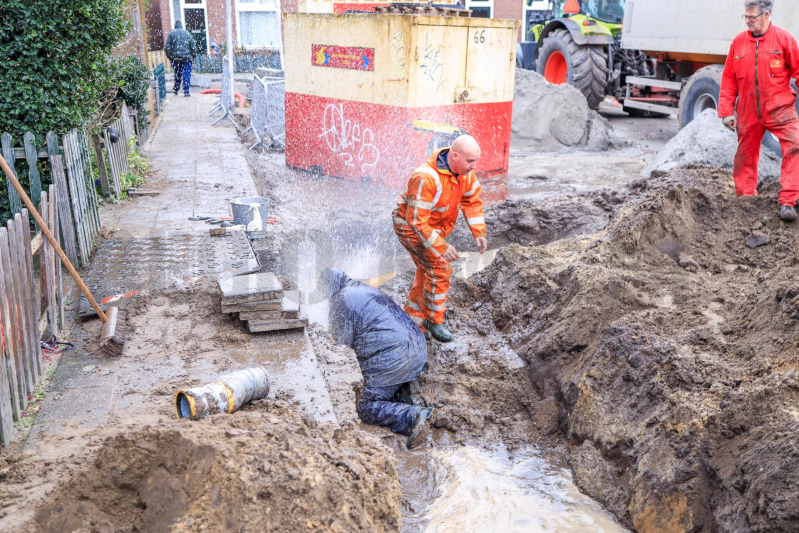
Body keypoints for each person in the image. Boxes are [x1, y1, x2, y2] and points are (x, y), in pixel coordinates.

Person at [321, 268, 433, 449]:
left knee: (364, 406)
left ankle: (412, 416)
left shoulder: (341, 299)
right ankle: (402, 395)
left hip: (395, 358)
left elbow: (341, 349)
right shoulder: (365, 290)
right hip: (417, 350)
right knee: (380, 379)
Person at [392, 135, 487, 343]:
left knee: (427, 269)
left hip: (431, 228)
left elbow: (472, 202)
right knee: (440, 267)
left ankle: (413, 319)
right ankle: (433, 321)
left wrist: (479, 232)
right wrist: (441, 246)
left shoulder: (465, 174)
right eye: (470, 161)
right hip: (409, 226)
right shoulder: (425, 177)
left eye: (475, 161)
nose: (474, 166)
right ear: (454, 156)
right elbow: (417, 222)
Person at [719, 0, 799, 221]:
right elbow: (728, 79)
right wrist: (726, 111)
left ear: (766, 15)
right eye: (745, 16)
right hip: (748, 111)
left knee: (795, 145)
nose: (747, 21)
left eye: (752, 17)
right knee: (745, 155)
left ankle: (788, 202)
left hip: (780, 109)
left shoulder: (784, 39)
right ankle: (746, 200)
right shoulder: (738, 42)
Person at [164, 20, 197, 97]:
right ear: (181, 25)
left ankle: (176, 89)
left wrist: (170, 57)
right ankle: (186, 91)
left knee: (177, 74)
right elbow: (193, 46)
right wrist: (193, 56)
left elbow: (167, 47)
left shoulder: (171, 34)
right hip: (187, 58)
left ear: (175, 26)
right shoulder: (187, 34)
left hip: (176, 58)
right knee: (186, 74)